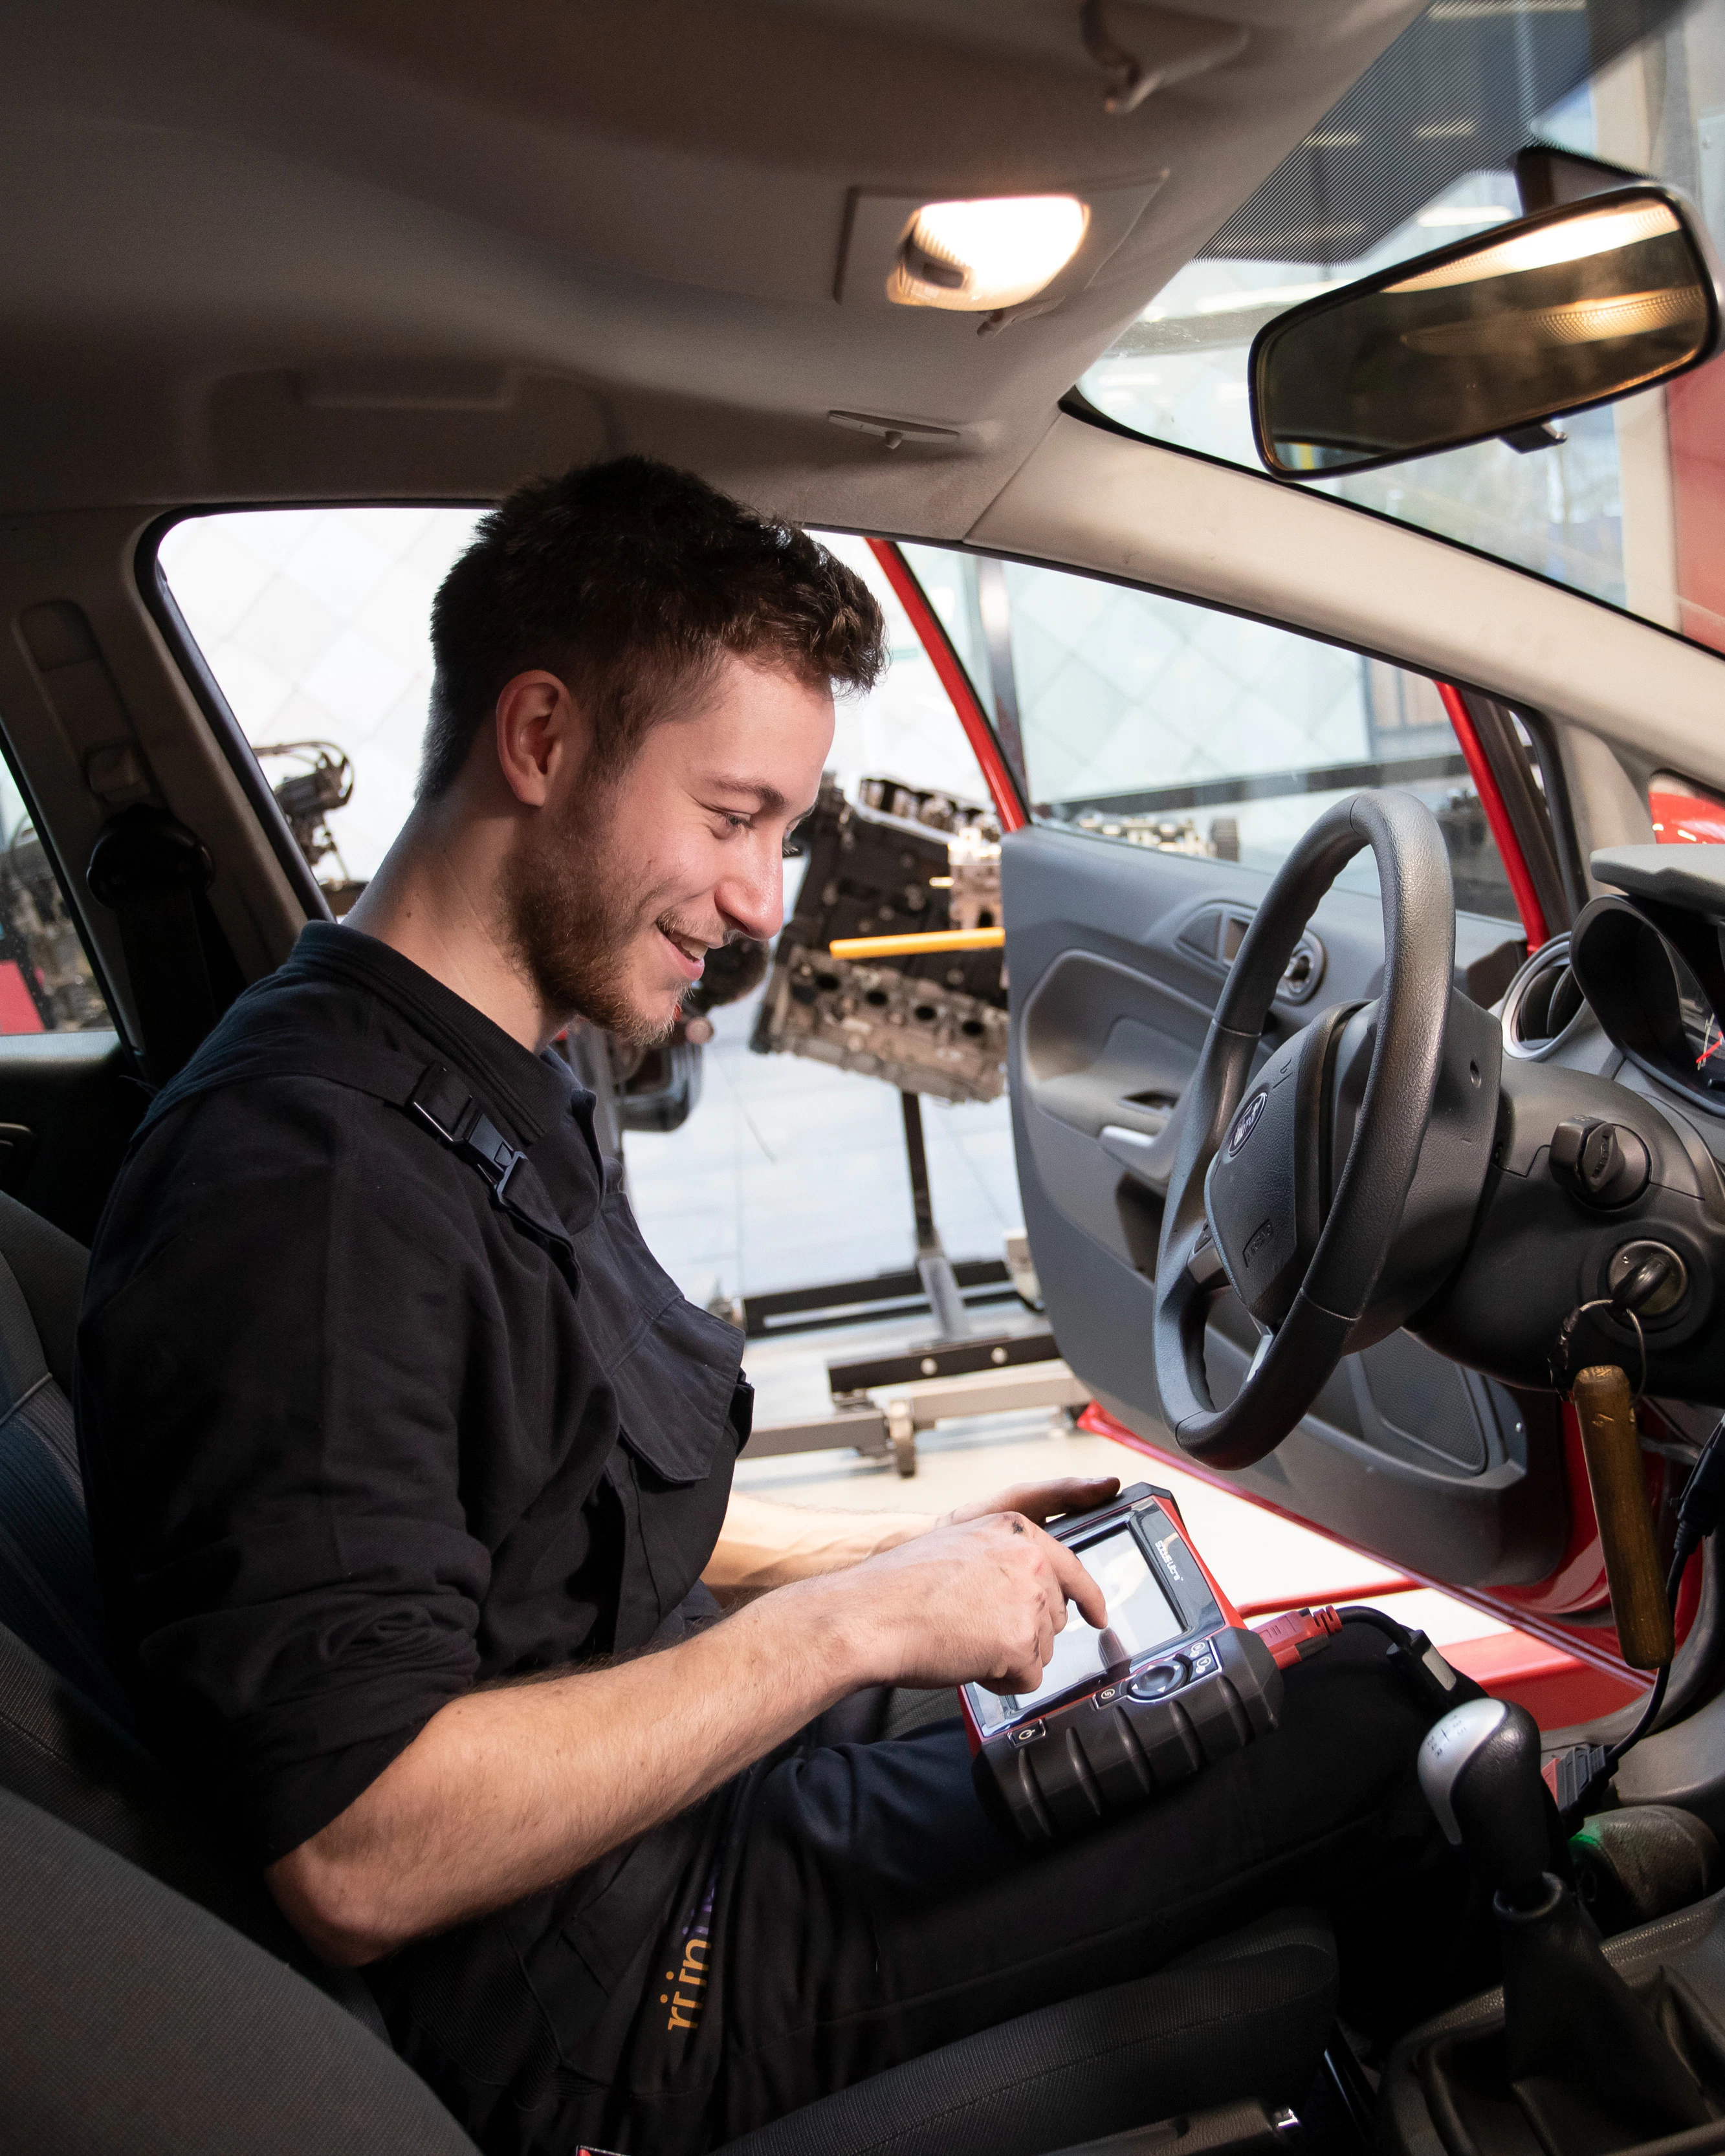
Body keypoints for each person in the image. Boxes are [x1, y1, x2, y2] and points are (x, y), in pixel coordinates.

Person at [78, 458, 1472, 2156]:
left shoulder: (475, 1070)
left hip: (663, 1813)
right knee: (1383, 1729)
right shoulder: (314, 1198)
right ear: (542, 739)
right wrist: (847, 1630)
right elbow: (360, 1846)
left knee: (1216, 1669)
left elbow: (551, 1499)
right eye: (733, 817)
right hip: (610, 1995)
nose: (764, 902)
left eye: (783, 834)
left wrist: (883, 1554)